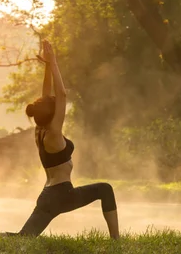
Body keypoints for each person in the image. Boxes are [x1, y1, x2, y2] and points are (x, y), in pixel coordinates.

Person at [17, 40, 120, 239]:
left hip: (47, 196)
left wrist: (47, 66)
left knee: (23, 238)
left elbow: (46, 95)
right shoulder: (54, 132)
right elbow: (62, 94)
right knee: (105, 190)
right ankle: (116, 242)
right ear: (51, 114)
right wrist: (54, 62)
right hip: (62, 195)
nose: (58, 106)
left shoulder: (40, 130)